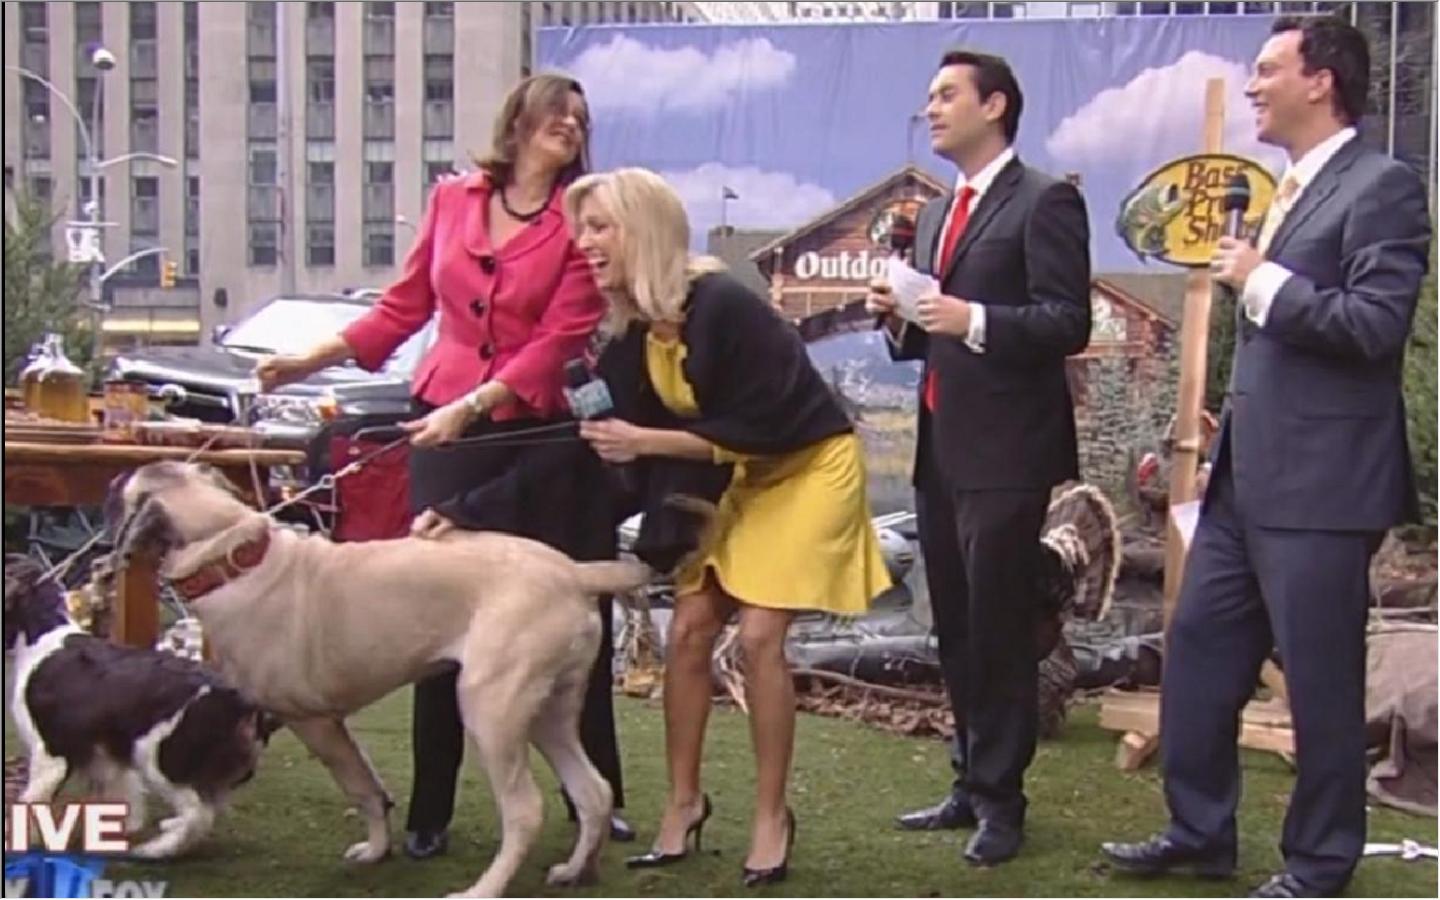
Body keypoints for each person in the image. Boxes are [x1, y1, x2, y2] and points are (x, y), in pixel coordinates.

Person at [253, 73, 634, 858]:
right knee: (436, 615)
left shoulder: (580, 219)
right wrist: (309, 360)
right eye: (557, 112)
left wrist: (477, 403)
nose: (571, 123)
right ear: (518, 122)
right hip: (444, 428)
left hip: (542, 432)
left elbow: (561, 338)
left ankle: (596, 800)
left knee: (566, 607)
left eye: (581, 117)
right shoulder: (454, 199)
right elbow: (404, 307)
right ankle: (430, 808)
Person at [1101, 17, 1431, 899]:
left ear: (1321, 81)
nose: (1252, 85)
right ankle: (1199, 832)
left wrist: (1263, 279)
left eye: (1268, 69)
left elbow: (1374, 325)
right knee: (1200, 656)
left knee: (1320, 687)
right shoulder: (1288, 189)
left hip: (1324, 488)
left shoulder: (1382, 186)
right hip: (1245, 485)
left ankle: (1320, 864)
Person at [565, 168, 891, 887]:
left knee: (758, 637)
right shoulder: (631, 329)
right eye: (580, 229)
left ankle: (772, 817)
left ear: (644, 231)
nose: (584, 243)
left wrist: (643, 442)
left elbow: (768, 424)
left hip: (807, 465)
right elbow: (618, 440)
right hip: (737, 474)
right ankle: (684, 804)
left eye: (600, 227)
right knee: (687, 632)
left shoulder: (724, 306)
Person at [866, 50, 1091, 866]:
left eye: (946, 94)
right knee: (956, 627)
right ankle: (969, 779)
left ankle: (1003, 800)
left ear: (994, 105)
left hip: (1009, 449)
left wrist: (975, 319)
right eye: (928, 95)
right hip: (942, 447)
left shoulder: (1045, 201)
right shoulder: (935, 215)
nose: (930, 108)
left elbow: (1068, 321)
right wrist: (899, 316)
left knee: (998, 627)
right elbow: (931, 333)